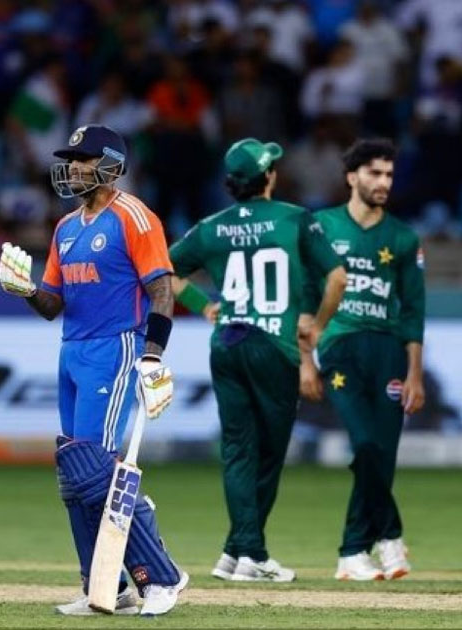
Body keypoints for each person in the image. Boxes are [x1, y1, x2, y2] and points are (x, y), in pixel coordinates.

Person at [0, 124, 187, 617]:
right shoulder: (65, 227)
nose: (74, 168)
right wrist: (24, 289)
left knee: (95, 473)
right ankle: (103, 586)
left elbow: (162, 290)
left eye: (83, 159)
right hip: (72, 350)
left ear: (111, 166)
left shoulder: (133, 216)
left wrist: (152, 356)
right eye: (71, 160)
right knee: (75, 477)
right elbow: (52, 304)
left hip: (116, 347)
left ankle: (162, 576)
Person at [169, 138, 347, 582]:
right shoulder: (295, 219)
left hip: (228, 342)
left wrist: (202, 304)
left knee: (237, 451)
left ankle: (234, 553)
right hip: (273, 346)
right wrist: (318, 326)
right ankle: (252, 553)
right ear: (268, 176)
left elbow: (163, 271)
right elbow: (338, 278)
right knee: (267, 454)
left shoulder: (211, 227)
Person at [302, 138, 425, 581]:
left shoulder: (403, 237)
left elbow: (413, 310)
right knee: (366, 444)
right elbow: (305, 295)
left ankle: (354, 552)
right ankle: (388, 536)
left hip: (389, 350)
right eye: (375, 173)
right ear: (352, 176)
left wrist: (415, 374)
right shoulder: (321, 226)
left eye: (389, 174)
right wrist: (306, 360)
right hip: (340, 346)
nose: (383, 182)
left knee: (383, 452)